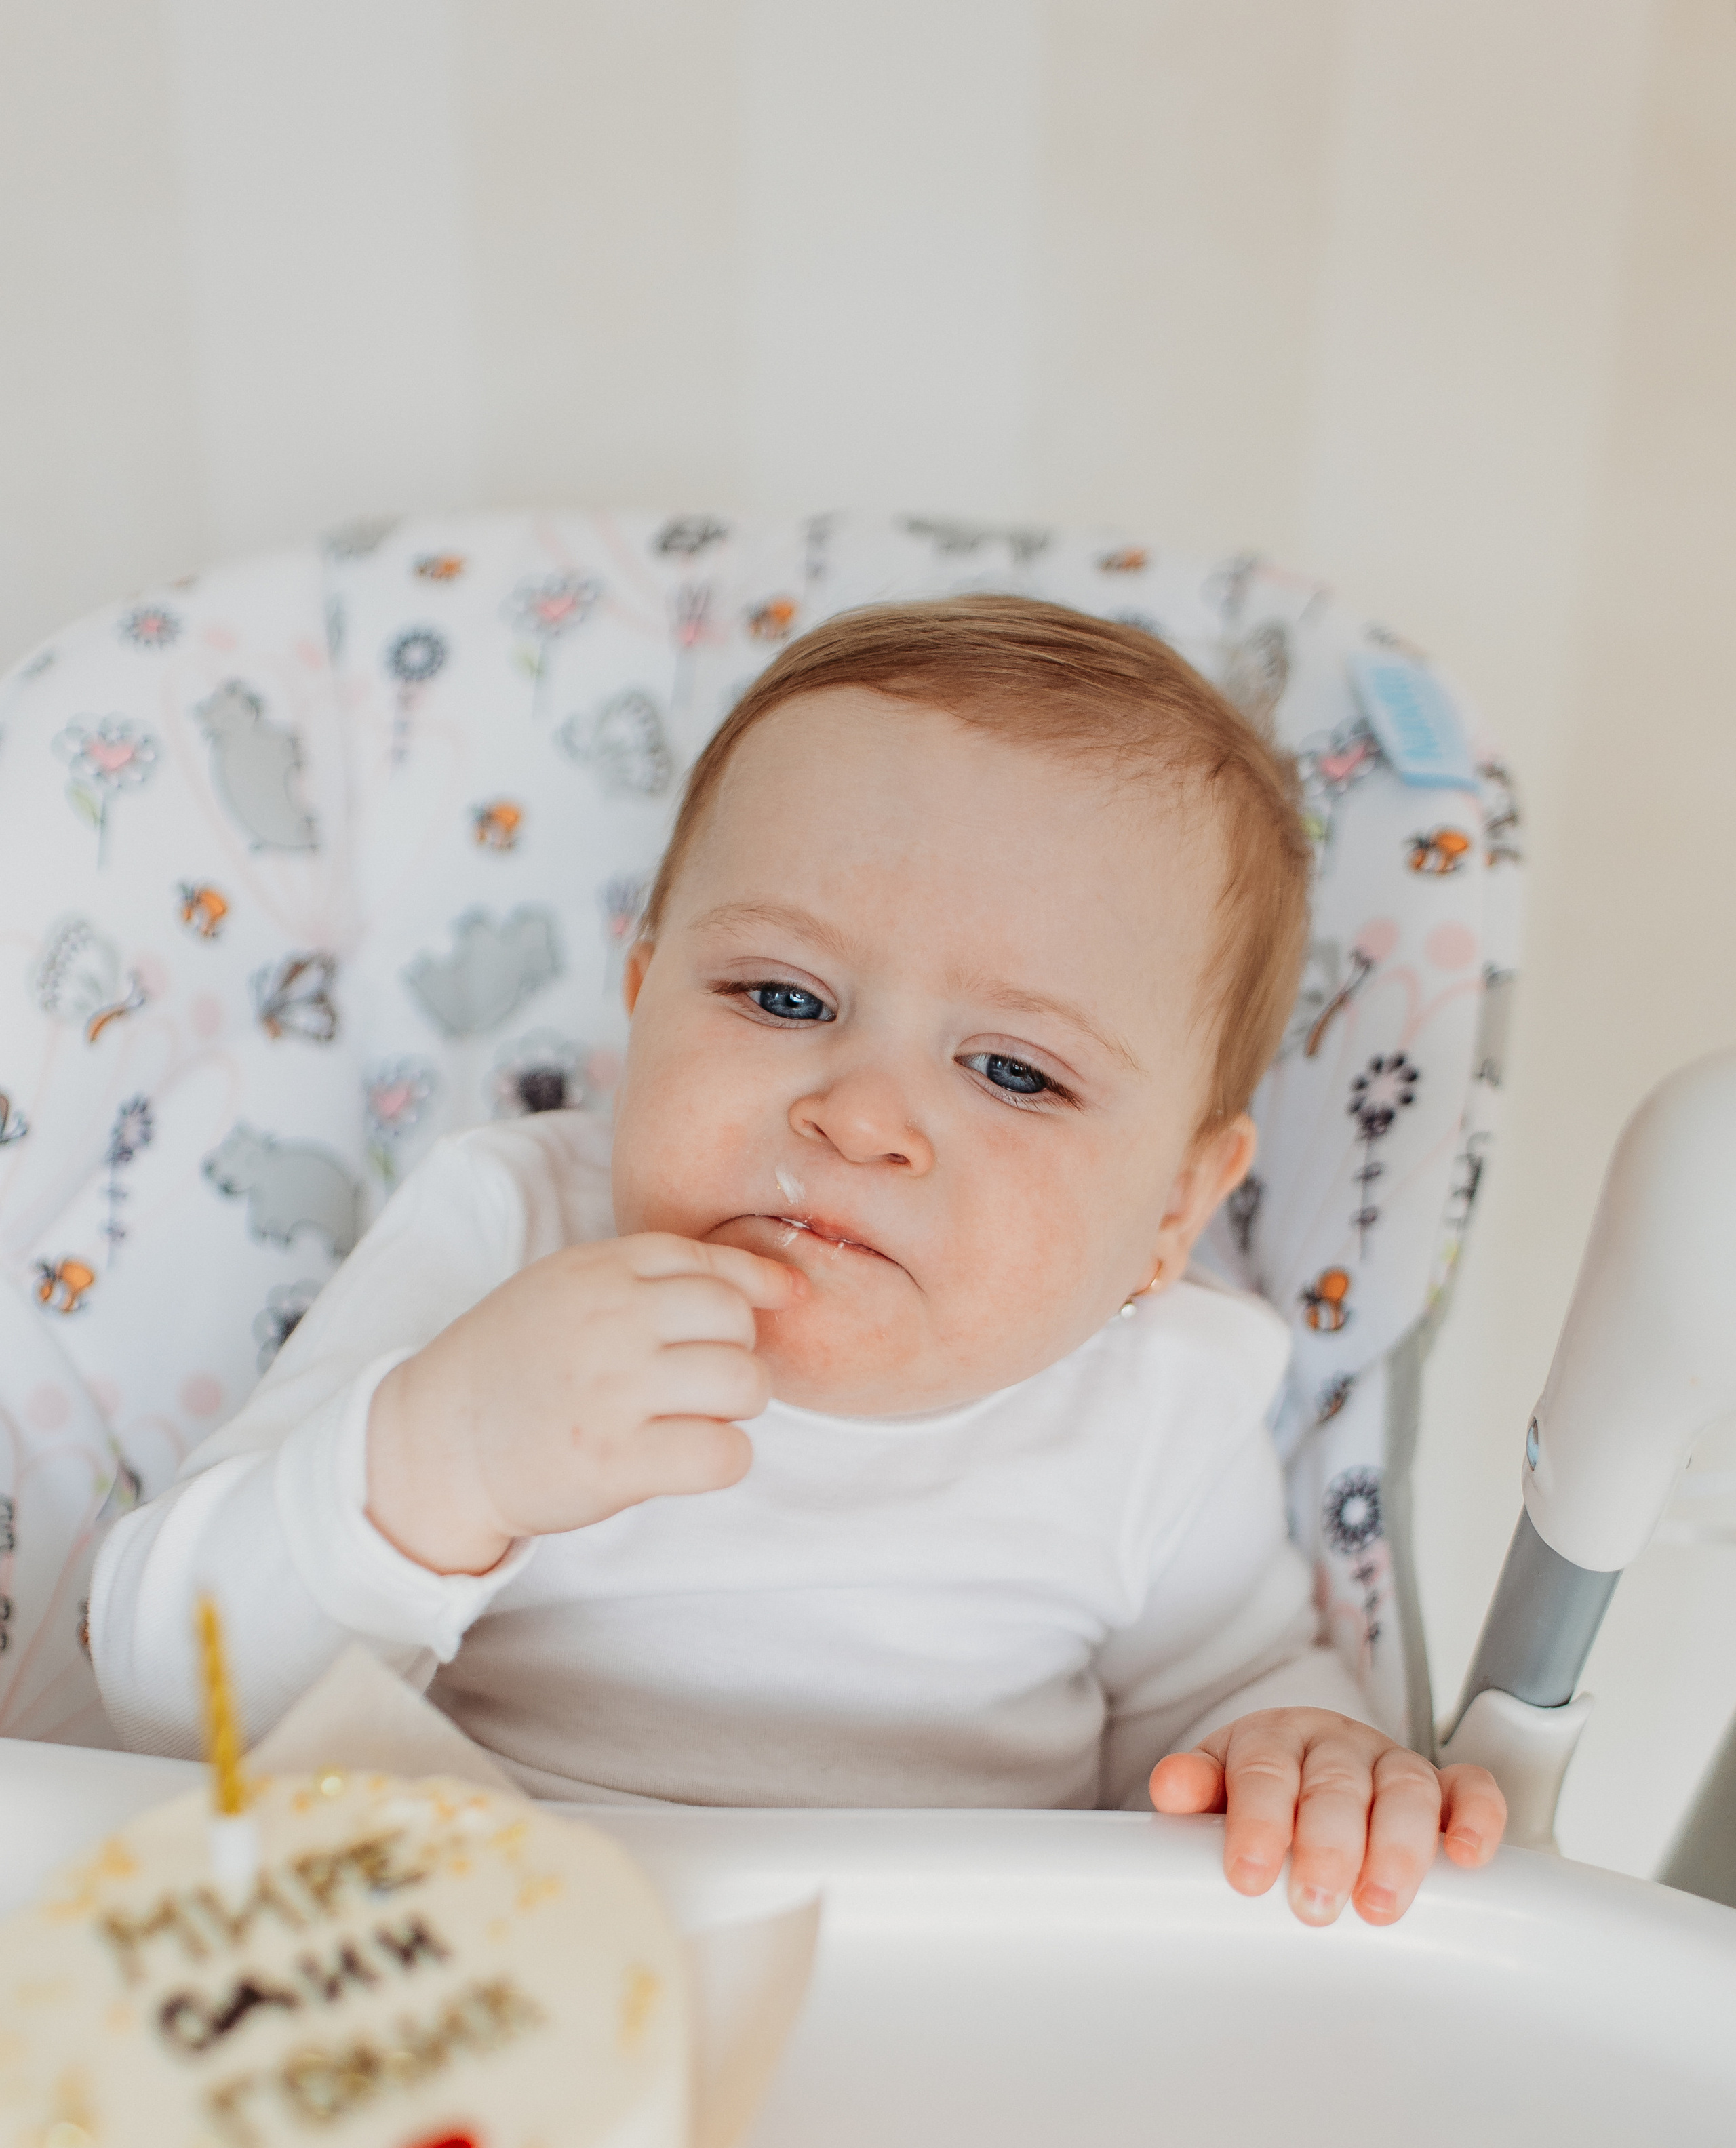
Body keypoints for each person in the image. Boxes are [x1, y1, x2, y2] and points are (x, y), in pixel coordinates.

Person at [92, 597, 1505, 1926]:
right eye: (781, 996)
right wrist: (437, 1461)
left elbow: (1220, 1710)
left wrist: (1298, 1759)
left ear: (1173, 1210)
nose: (860, 1115)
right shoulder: (504, 1244)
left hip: (962, 2022)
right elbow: (171, 1695)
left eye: (1013, 1071)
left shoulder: (1167, 1401)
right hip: (478, 1971)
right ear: (641, 1006)